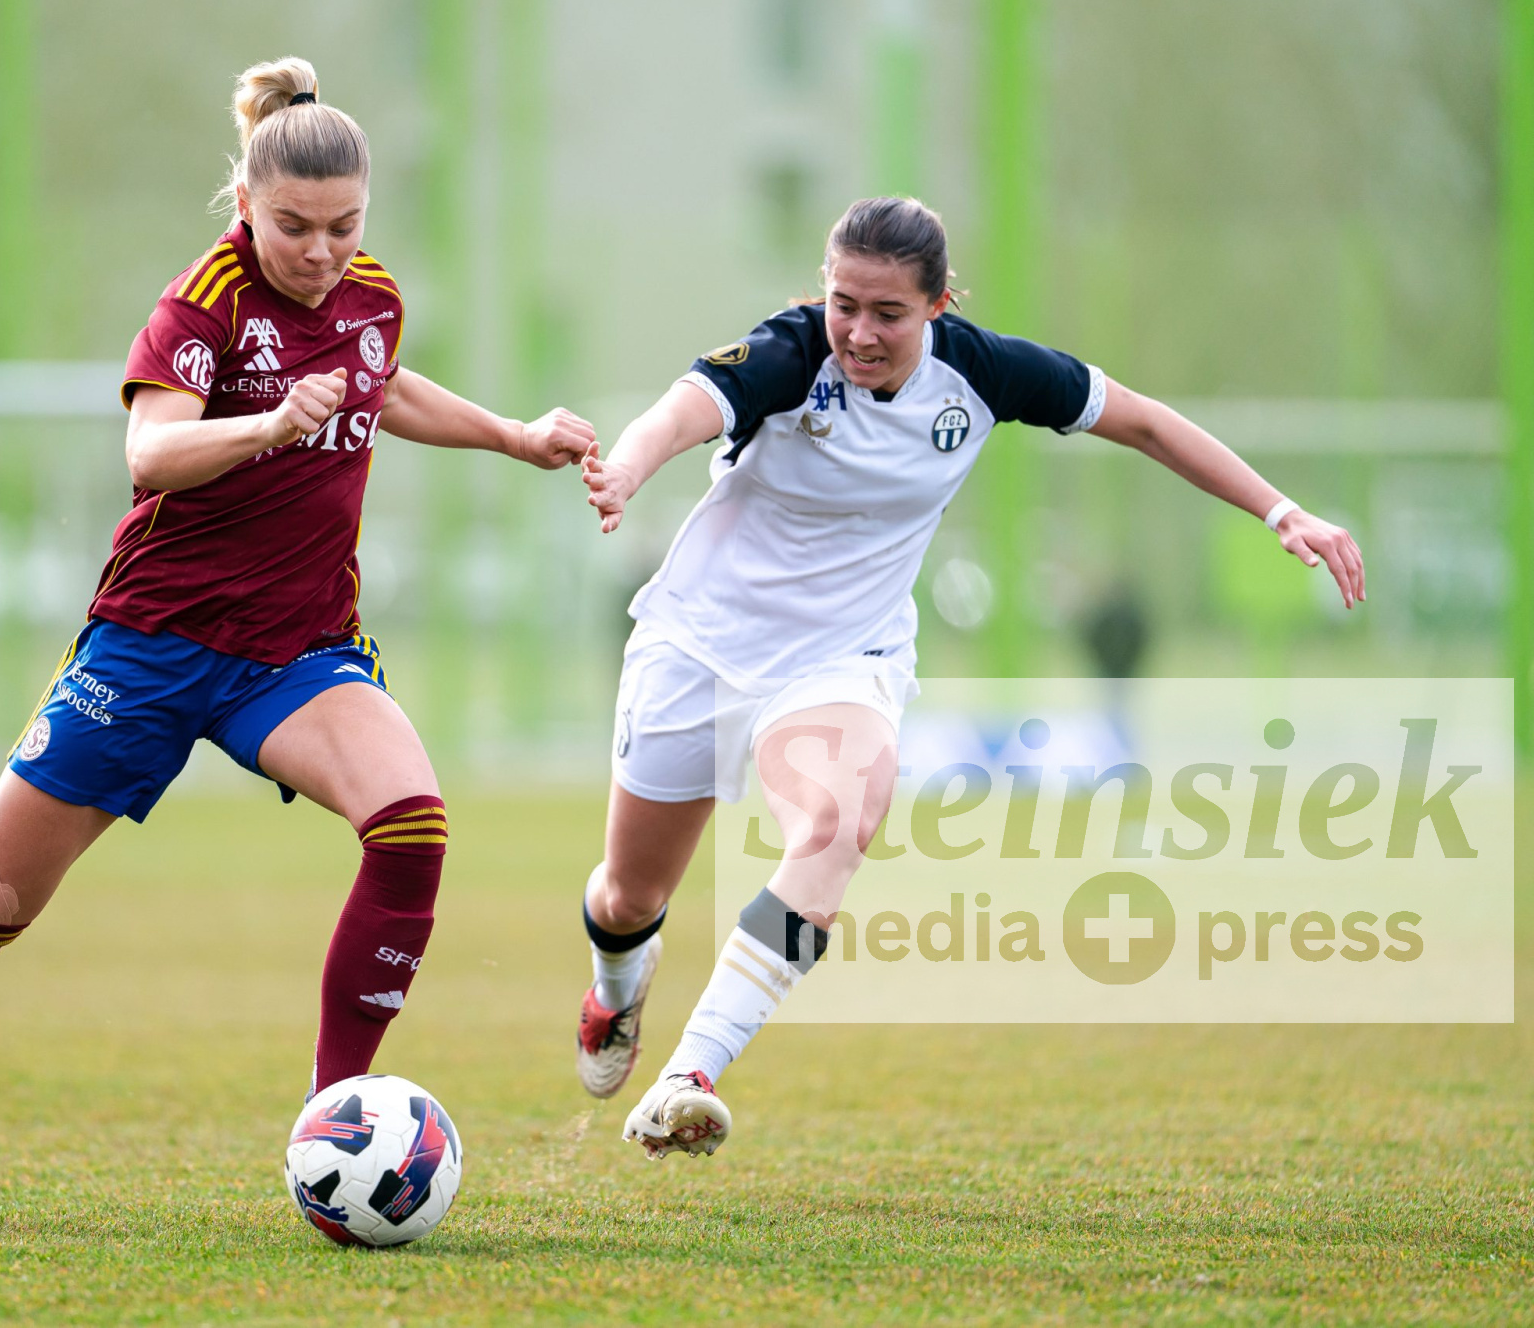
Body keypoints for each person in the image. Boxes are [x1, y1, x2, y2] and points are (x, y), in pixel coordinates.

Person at [0, 57, 595, 1215]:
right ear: (245, 202)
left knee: (411, 824)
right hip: (150, 646)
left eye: (345, 226)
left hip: (294, 649)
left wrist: (512, 434)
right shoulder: (204, 302)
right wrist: (270, 424)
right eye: (295, 227)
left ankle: (332, 1120)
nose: (322, 251)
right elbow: (150, 452)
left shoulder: (369, 296)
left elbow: (383, 384)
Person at [572, 196, 1365, 1159]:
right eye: (844, 304)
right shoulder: (789, 352)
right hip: (698, 646)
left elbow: (1148, 424)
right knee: (629, 896)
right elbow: (682, 410)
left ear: (940, 303)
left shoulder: (982, 372)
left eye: (889, 313)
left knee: (838, 824)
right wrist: (628, 467)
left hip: (841, 659)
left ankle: (689, 1075)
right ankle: (617, 989)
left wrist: (1282, 511)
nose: (860, 333)